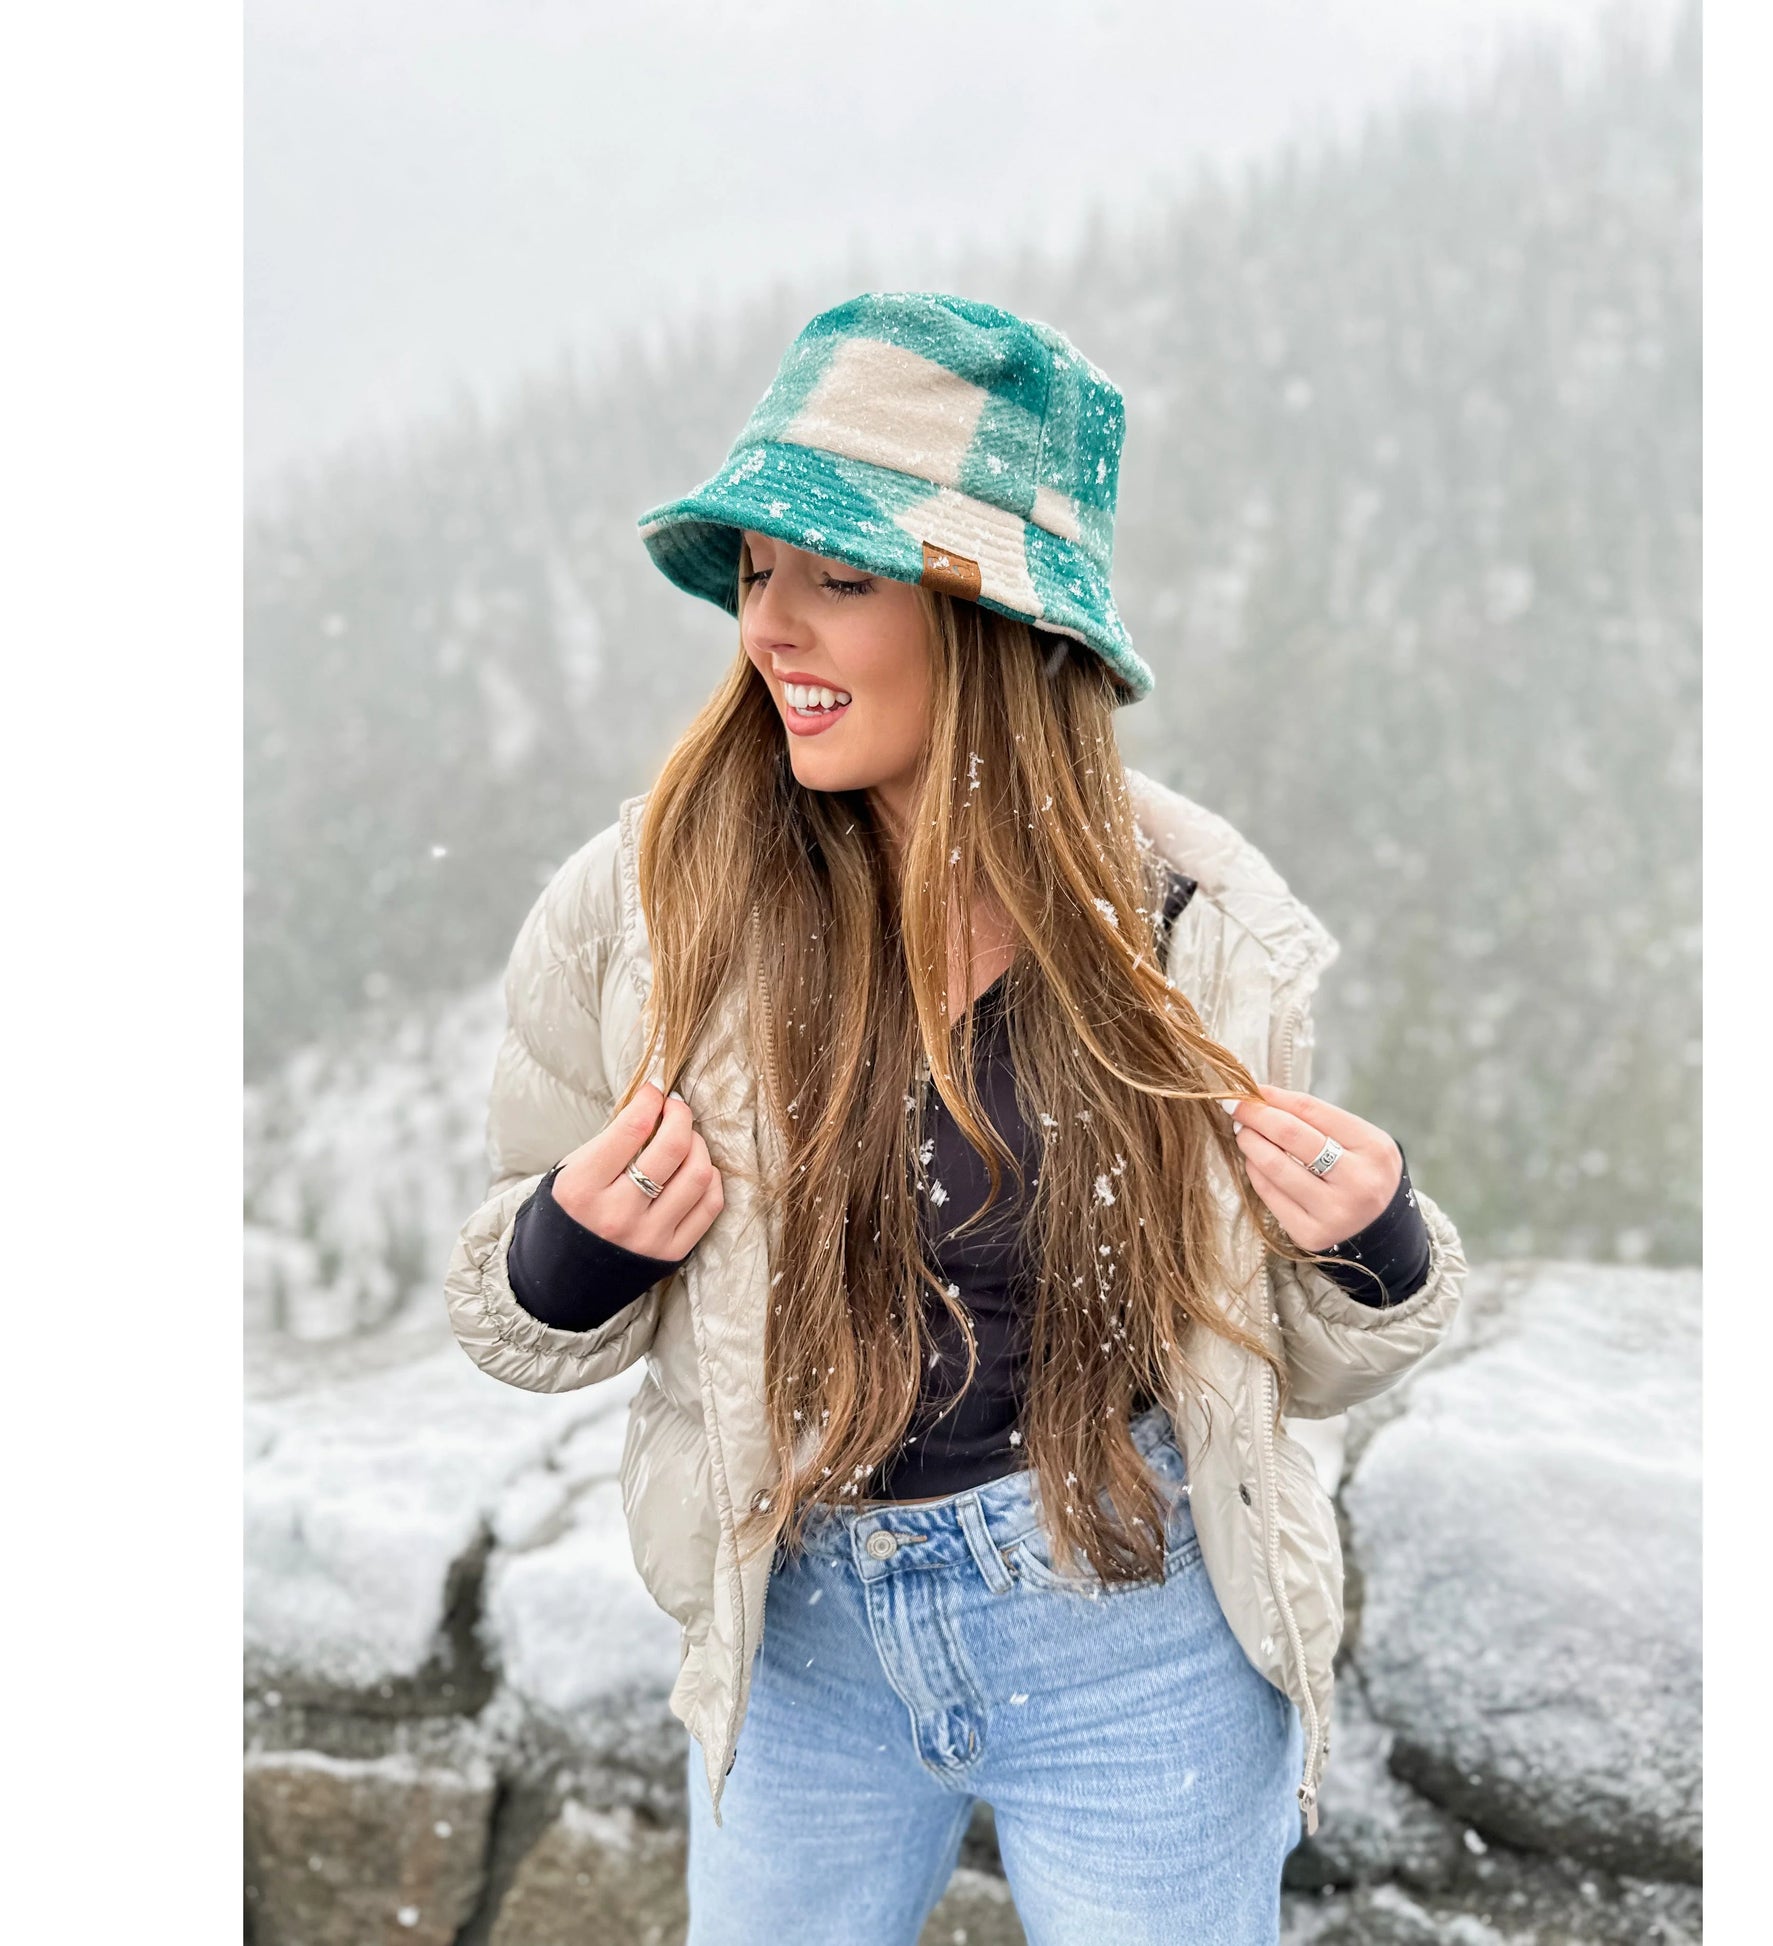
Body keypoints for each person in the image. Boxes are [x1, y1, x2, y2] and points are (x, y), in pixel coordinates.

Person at [444, 291, 1467, 1944]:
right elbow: (502, 1298)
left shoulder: (1193, 930)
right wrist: (571, 1246)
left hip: (1138, 1640)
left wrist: (1375, 1243)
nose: (771, 626)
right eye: (757, 574)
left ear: (991, 622)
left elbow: (1294, 1358)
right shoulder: (651, 901)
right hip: (802, 1644)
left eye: (836, 579)